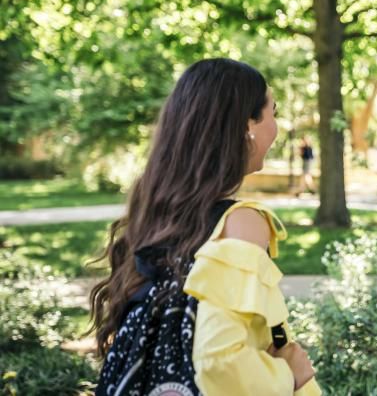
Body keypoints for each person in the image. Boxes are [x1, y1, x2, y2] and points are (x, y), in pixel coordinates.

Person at [88, 58, 321, 395]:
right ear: (247, 125)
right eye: (274, 112)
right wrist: (288, 375)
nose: (277, 126)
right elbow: (220, 361)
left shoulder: (161, 211)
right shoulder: (240, 223)